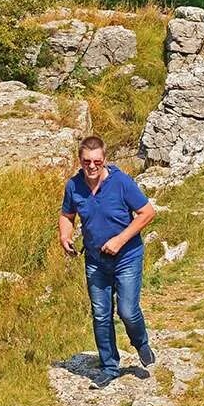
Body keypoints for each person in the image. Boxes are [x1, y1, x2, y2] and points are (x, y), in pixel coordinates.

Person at [59, 136, 157, 389]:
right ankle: (109, 367)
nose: (92, 167)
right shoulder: (74, 186)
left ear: (105, 160)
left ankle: (141, 342)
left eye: (97, 162)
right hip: (95, 260)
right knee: (101, 315)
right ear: (79, 161)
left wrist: (119, 240)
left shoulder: (121, 182)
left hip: (127, 257)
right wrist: (65, 235)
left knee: (127, 310)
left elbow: (147, 213)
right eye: (86, 162)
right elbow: (67, 215)